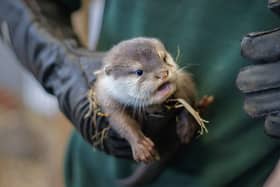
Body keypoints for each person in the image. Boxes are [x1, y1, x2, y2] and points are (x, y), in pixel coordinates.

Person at [0, 0, 279, 186]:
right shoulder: (109, 92)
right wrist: (58, 63)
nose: (164, 73)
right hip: (99, 172)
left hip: (243, 168)